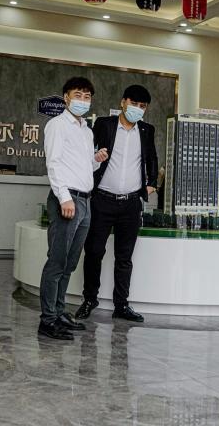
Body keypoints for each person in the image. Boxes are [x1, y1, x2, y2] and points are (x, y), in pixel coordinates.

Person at [75, 84, 158, 324]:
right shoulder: (104, 124)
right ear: (123, 102)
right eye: (134, 104)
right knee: (94, 252)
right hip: (102, 199)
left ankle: (121, 304)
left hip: (131, 203)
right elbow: (87, 154)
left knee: (125, 257)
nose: (137, 109)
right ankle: (90, 299)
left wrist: (151, 184)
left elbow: (152, 157)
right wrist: (94, 159)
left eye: (142, 107)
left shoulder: (146, 130)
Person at [38, 77, 109, 340]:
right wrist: (64, 198)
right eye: (78, 94)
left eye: (87, 96)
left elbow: (83, 166)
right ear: (66, 97)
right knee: (56, 261)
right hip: (66, 200)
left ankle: (58, 312)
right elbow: (54, 164)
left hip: (85, 200)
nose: (83, 100)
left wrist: (96, 160)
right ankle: (47, 320)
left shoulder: (86, 130)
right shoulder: (57, 125)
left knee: (69, 263)